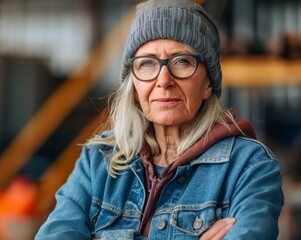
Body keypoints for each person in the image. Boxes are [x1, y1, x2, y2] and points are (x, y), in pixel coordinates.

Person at [35, 0, 284, 239]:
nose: (163, 80)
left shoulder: (249, 167)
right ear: (133, 85)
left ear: (209, 83)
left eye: (183, 61)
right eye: (147, 64)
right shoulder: (98, 160)